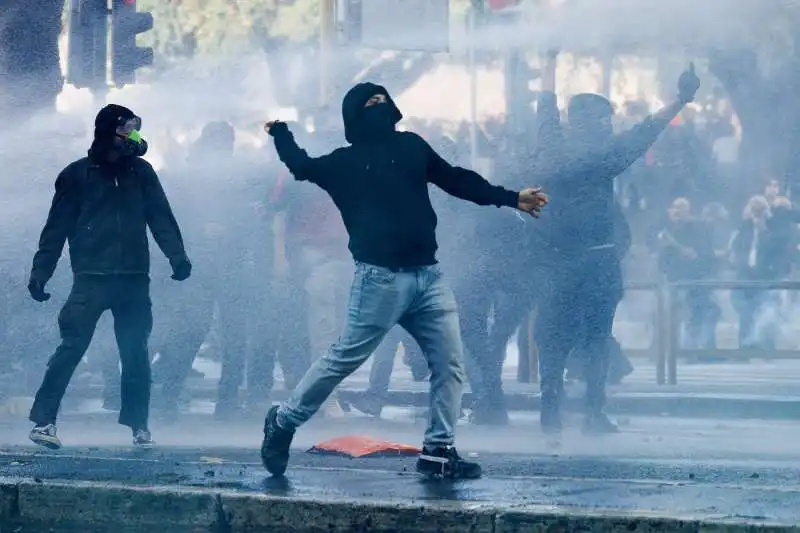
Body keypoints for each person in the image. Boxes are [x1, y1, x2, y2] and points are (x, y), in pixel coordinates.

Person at [260, 82, 547, 479]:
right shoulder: (342, 163)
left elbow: (456, 179)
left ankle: (438, 450)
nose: (379, 107)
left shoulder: (413, 146)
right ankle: (283, 421)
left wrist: (511, 197)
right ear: (355, 116)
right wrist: (281, 133)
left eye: (383, 100)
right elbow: (301, 165)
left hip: (428, 277)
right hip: (379, 280)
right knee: (342, 359)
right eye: (370, 103)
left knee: (449, 363)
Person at [533, 54, 700, 435]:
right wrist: (680, 100)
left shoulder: (551, 147)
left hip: (556, 265)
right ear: (592, 125)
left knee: (554, 336)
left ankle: (551, 407)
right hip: (595, 264)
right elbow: (645, 132)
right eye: (604, 121)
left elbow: (545, 107)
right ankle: (592, 412)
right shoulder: (601, 156)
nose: (610, 126)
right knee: (595, 338)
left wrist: (548, 60)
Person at [26, 104, 191, 449]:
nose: (134, 136)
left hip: (133, 279)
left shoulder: (142, 173)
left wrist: (177, 257)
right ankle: (44, 422)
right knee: (71, 347)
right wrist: (41, 271)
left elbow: (160, 217)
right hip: (91, 278)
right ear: (108, 131)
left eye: (136, 128)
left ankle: (139, 426)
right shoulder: (76, 175)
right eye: (127, 129)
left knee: (135, 352)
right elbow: (55, 229)